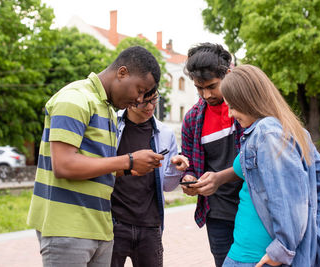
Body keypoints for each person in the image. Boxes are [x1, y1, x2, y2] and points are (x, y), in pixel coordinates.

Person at [27, 46, 165, 267]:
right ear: (122, 72)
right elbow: (63, 165)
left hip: (100, 228)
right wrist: (128, 160)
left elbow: (97, 167)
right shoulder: (75, 98)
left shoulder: (107, 109)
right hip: (67, 228)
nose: (139, 100)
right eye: (139, 90)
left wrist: (131, 168)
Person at [192, 64, 320, 266]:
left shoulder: (266, 133)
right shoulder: (288, 129)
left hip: (254, 256)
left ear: (249, 101)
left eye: (232, 106)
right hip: (254, 252)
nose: (231, 114)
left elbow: (287, 199)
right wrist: (310, 233)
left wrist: (284, 248)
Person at [180, 43, 244, 267]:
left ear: (228, 73)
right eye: (199, 88)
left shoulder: (247, 108)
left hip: (252, 207)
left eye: (211, 86)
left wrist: (220, 178)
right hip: (217, 214)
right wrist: (188, 179)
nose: (206, 94)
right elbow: (189, 165)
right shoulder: (191, 119)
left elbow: (257, 161)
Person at [111, 90, 189, 267]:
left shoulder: (165, 133)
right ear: (131, 100)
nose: (151, 106)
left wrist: (175, 167)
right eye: (145, 102)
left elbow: (167, 186)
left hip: (150, 226)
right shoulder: (111, 125)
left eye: (154, 100)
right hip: (114, 223)